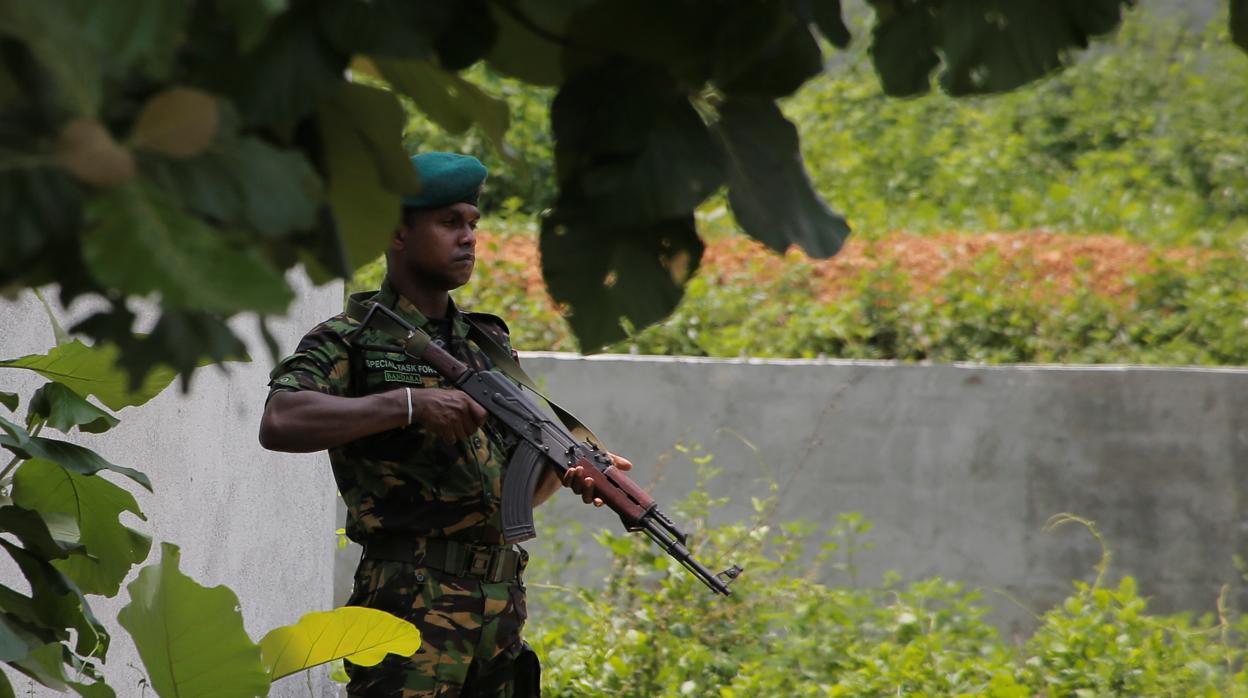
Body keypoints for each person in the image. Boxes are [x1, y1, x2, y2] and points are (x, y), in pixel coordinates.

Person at [258, 152, 629, 697]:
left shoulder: (487, 344)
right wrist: (409, 403)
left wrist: (570, 469)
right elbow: (281, 419)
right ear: (397, 234)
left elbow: (508, 486)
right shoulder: (348, 339)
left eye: (474, 224)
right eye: (450, 222)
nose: (469, 238)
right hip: (410, 601)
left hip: (499, 606)